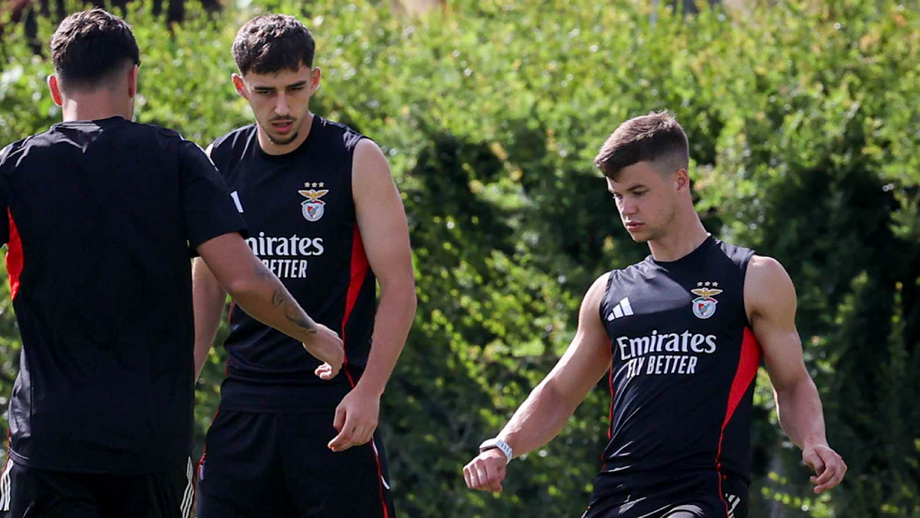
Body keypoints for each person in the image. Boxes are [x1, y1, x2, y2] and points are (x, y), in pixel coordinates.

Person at [0, 9, 344, 518]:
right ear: (133, 80)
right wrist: (311, 332)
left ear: (55, 88)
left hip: (49, 441)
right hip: (150, 446)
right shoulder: (178, 160)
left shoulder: (16, 167)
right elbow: (243, 279)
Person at [463, 112, 847, 517]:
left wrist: (814, 440)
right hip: (617, 495)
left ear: (680, 180)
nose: (626, 208)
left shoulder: (752, 277)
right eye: (617, 195)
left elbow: (791, 384)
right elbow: (559, 393)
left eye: (638, 191)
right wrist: (502, 446)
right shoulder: (609, 293)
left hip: (703, 495)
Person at [192, 14, 416, 518]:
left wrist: (370, 392)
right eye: (265, 91)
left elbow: (400, 288)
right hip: (244, 405)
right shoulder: (219, 160)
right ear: (241, 87)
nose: (282, 107)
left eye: (294, 89)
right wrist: (179, 386)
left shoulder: (356, 158)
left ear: (314, 80)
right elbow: (206, 286)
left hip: (333, 403)